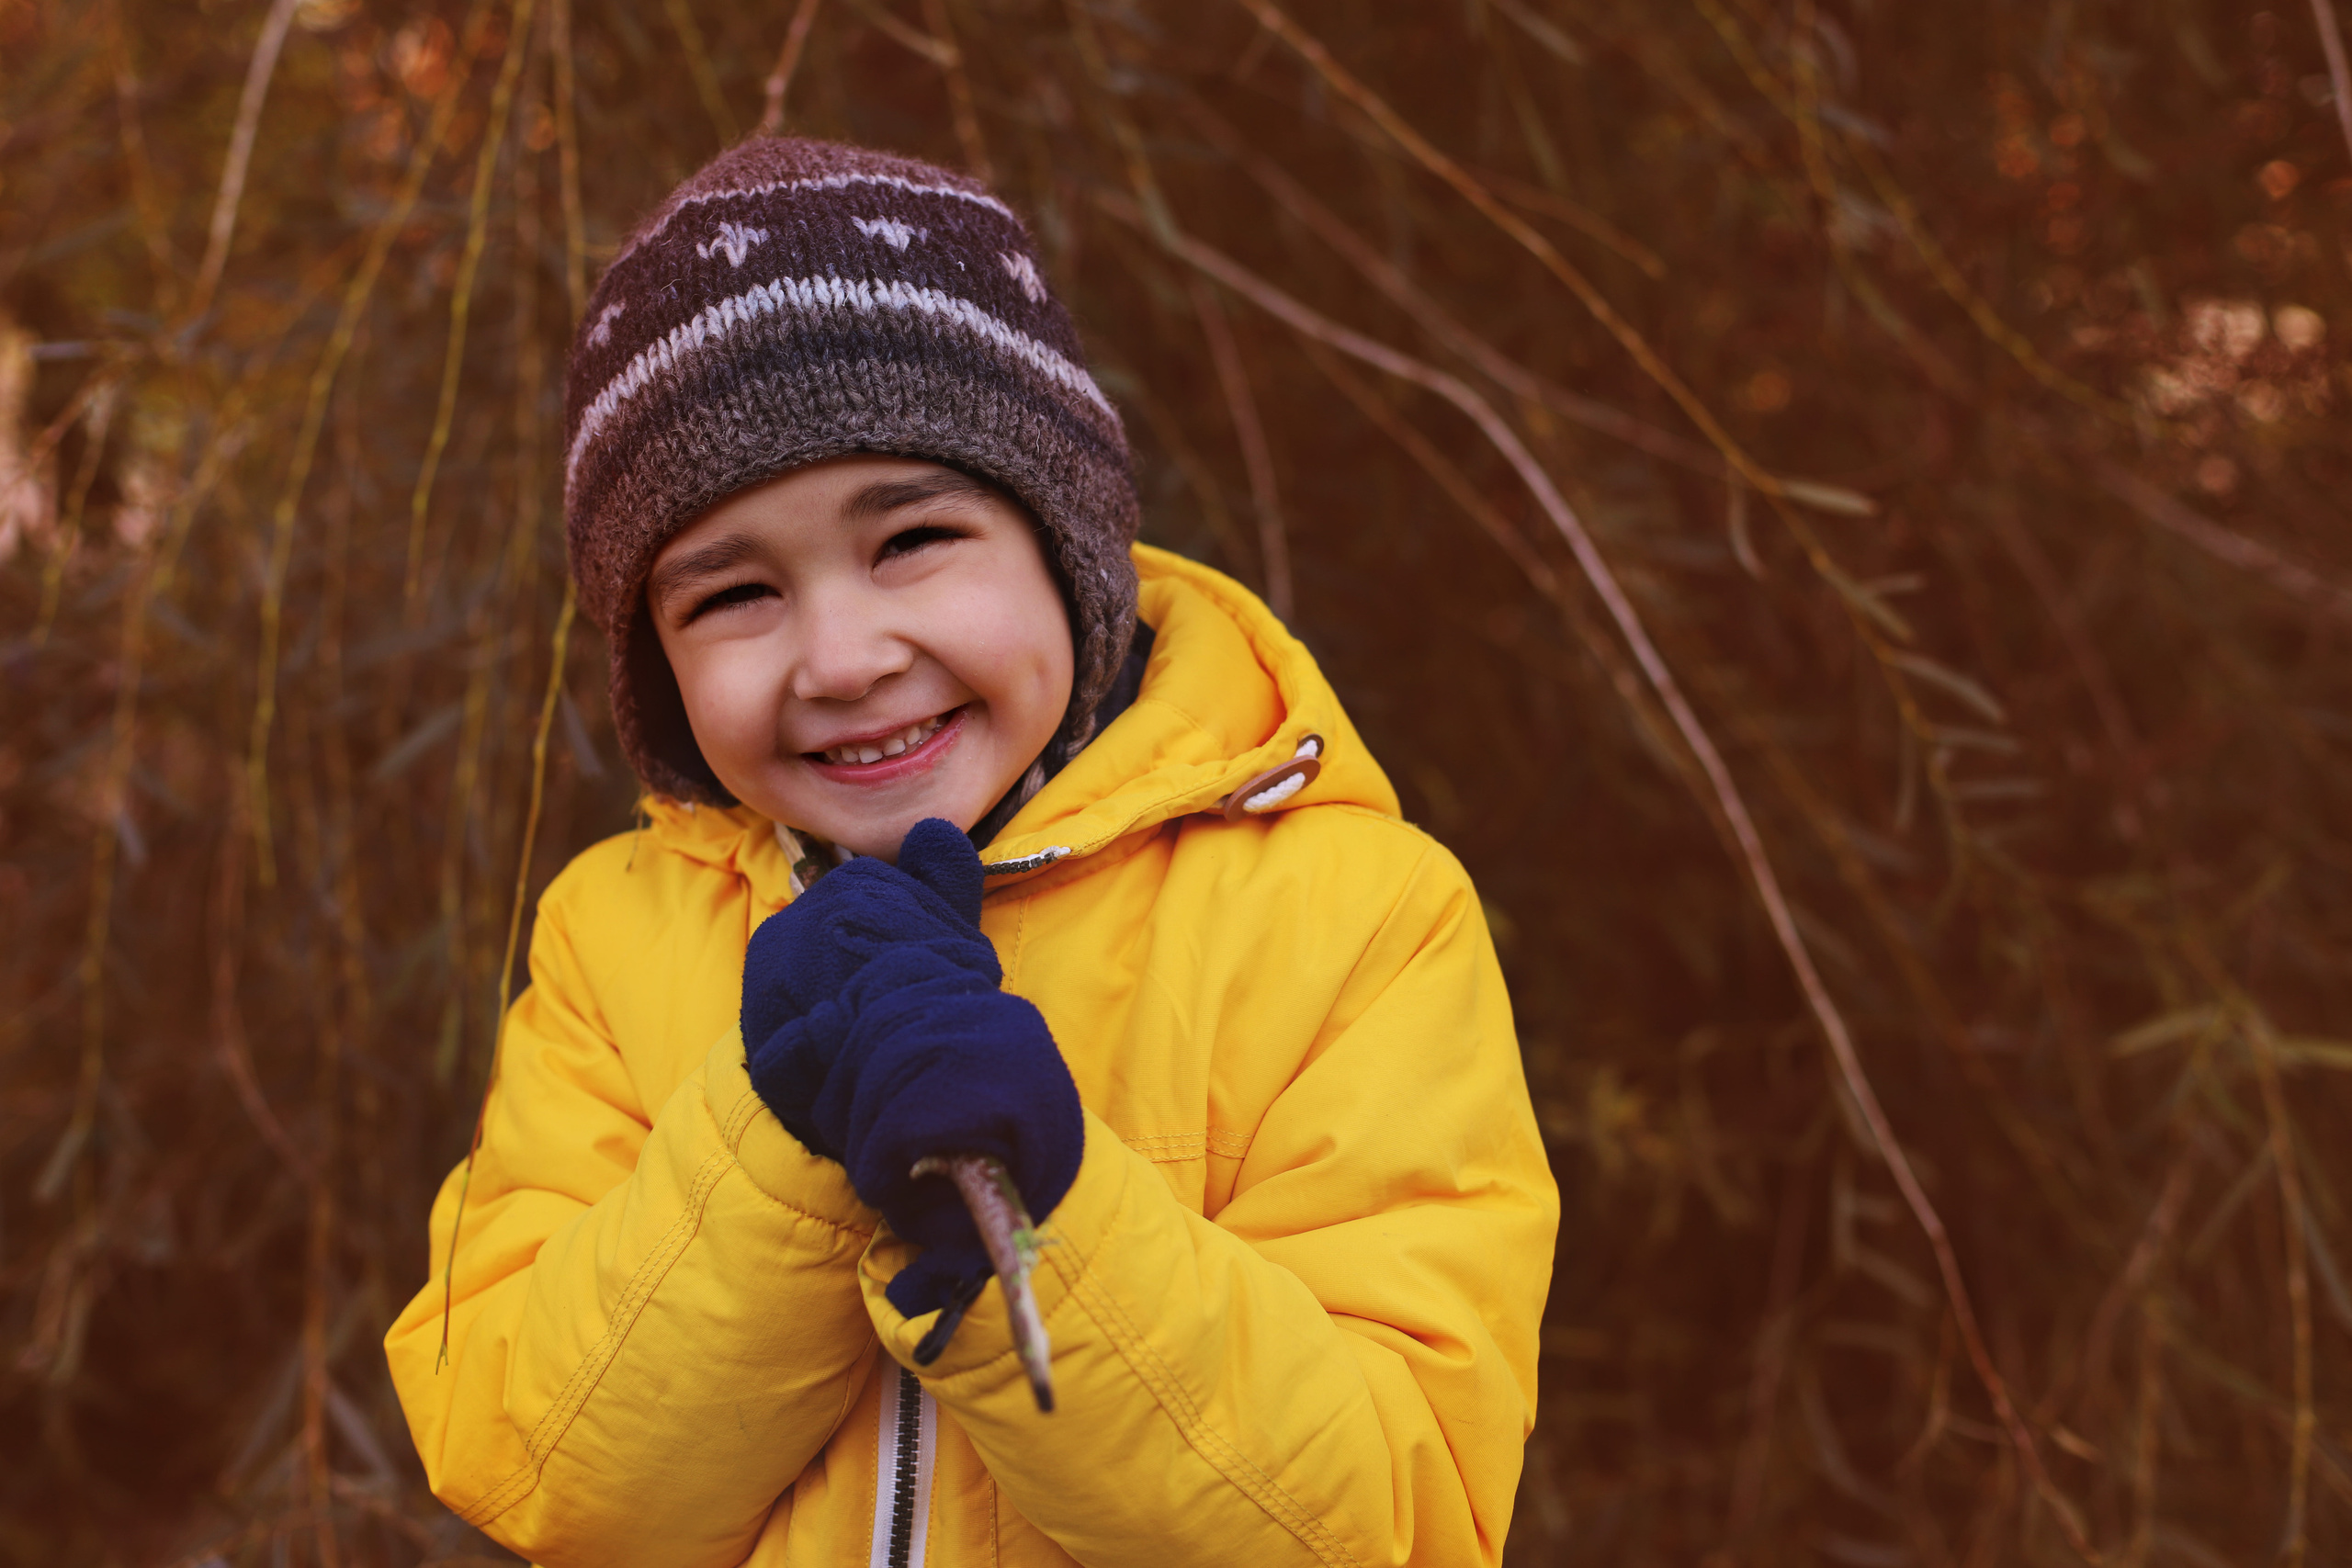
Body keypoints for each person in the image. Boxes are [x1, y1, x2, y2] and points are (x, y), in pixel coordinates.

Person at [383, 135, 1557, 1568]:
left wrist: (1044, 1227)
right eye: (736, 593)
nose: (843, 657)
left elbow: (1388, 1517)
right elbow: (547, 1476)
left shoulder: (1352, 919)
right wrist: (784, 1132)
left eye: (914, 539)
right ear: (655, 662)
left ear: (1068, 543)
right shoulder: (613, 941)